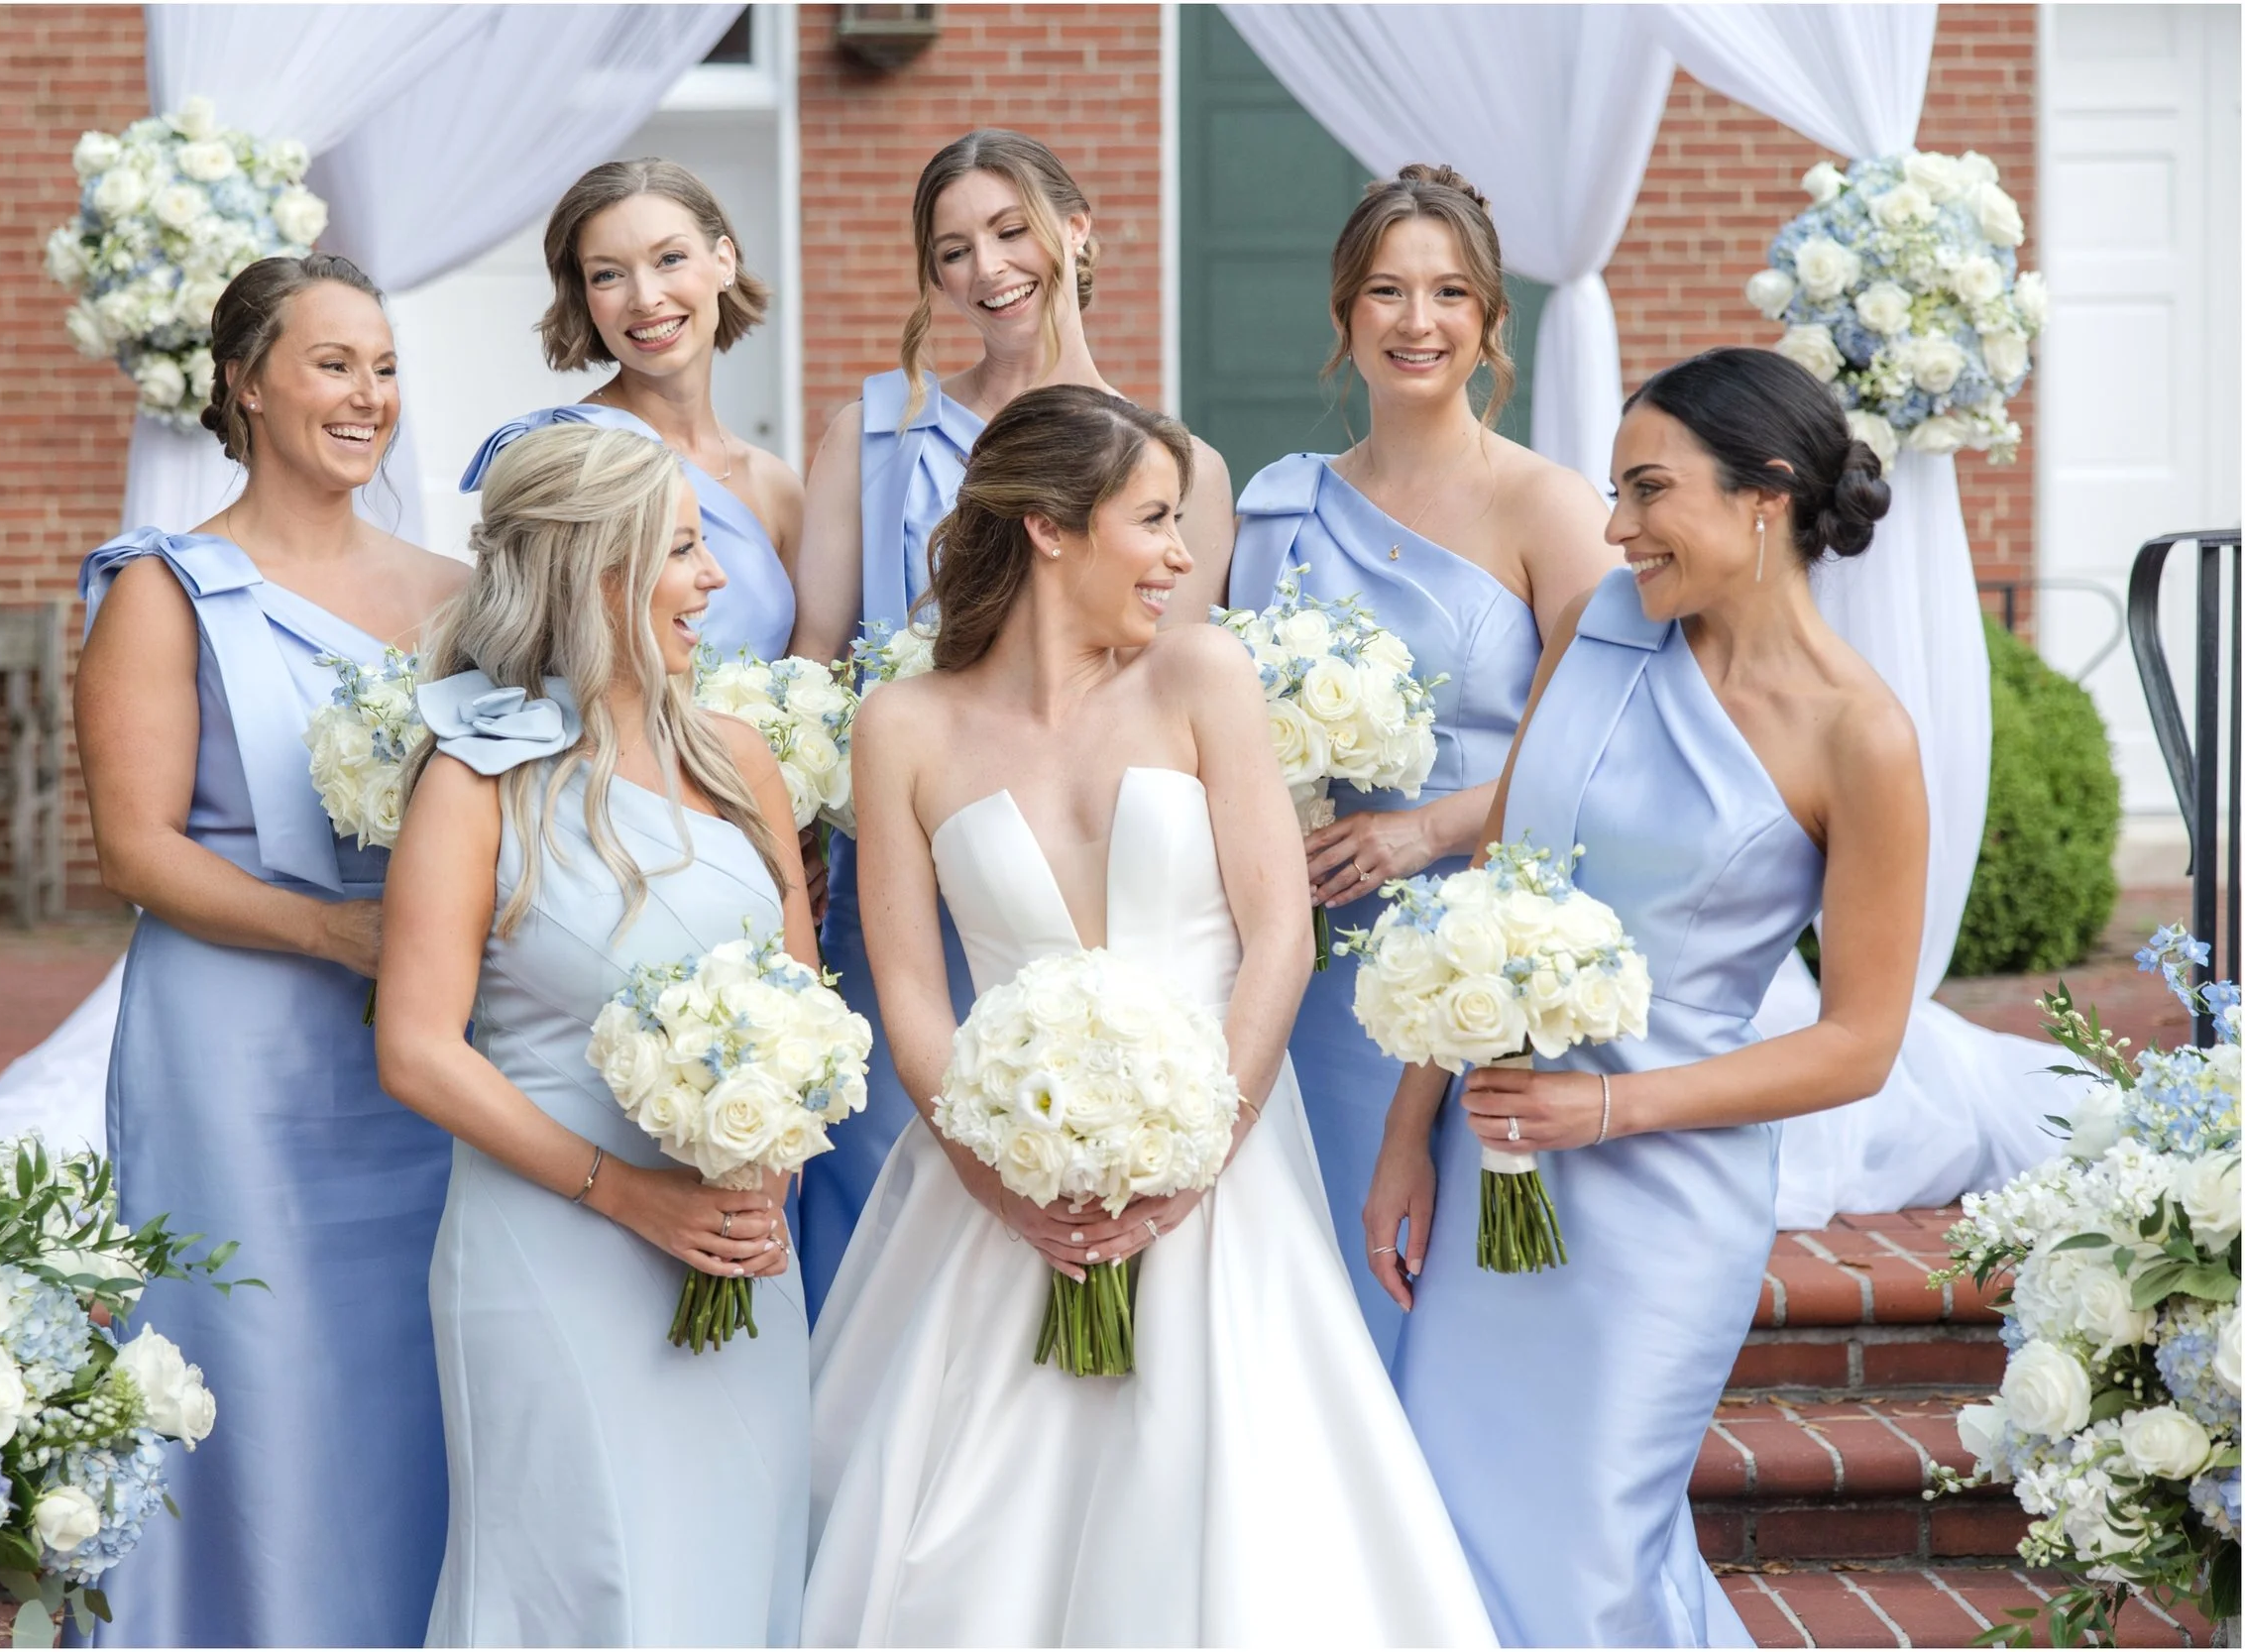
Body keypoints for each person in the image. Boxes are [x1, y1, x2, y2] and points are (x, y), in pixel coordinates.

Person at [804, 385, 1493, 1647]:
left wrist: (1188, 1161)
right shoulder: (901, 724)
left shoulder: (1201, 672)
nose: (1186, 554)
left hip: (1221, 1161)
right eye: (1155, 520)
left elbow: (1279, 931)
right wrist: (1003, 1179)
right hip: (999, 1178)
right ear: (1049, 529)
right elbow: (908, 991)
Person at [1370, 346, 1929, 1646]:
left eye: (1647, 489)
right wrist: (1410, 1133)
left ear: (1764, 497)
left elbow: (1859, 1044)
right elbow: (1493, 888)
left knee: (1591, 1551)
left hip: (1663, 1205)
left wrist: (1613, 1103)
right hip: (1492, 1162)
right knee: (1455, 1517)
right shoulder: (1608, 624)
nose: (1615, 526)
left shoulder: (1863, 736)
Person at [72, 253, 468, 1646]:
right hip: (237, 1050)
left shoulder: (461, 592)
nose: (369, 396)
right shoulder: (163, 591)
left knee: (423, 1361)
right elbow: (137, 847)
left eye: (385, 366)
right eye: (332, 363)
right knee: (258, 1357)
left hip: (422, 1055)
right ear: (246, 383)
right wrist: (338, 929)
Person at [377, 423, 812, 1646]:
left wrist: (767, 1149)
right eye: (683, 548)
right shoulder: (477, 779)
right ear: (598, 571)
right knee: (585, 1581)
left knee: (732, 1562)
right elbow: (416, 1046)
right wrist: (627, 1193)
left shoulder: (738, 762)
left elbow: (804, 1001)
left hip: (736, 1242)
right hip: (550, 1248)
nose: (713, 578)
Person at [787, 130, 1235, 1315]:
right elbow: (809, 665)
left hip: (1090, 879)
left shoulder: (1174, 465)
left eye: (1008, 229)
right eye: (950, 250)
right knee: (896, 1192)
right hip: (907, 855)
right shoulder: (866, 436)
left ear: (1077, 231)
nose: (985, 268)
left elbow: (1145, 687)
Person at [1228, 164, 1615, 1355]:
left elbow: (1606, 750)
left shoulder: (1550, 508)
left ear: (1491, 322)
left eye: (1448, 293)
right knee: (1316, 1280)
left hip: (1482, 945)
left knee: (1453, 1293)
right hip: (1311, 955)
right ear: (1345, 316)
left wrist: (1428, 829)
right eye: (1387, 292)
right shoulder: (1278, 508)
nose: (1416, 321)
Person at [459, 158, 800, 663]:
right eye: (608, 275)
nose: (645, 298)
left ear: (724, 261)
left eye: (669, 260)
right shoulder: (569, 459)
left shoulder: (775, 485)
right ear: (584, 297)